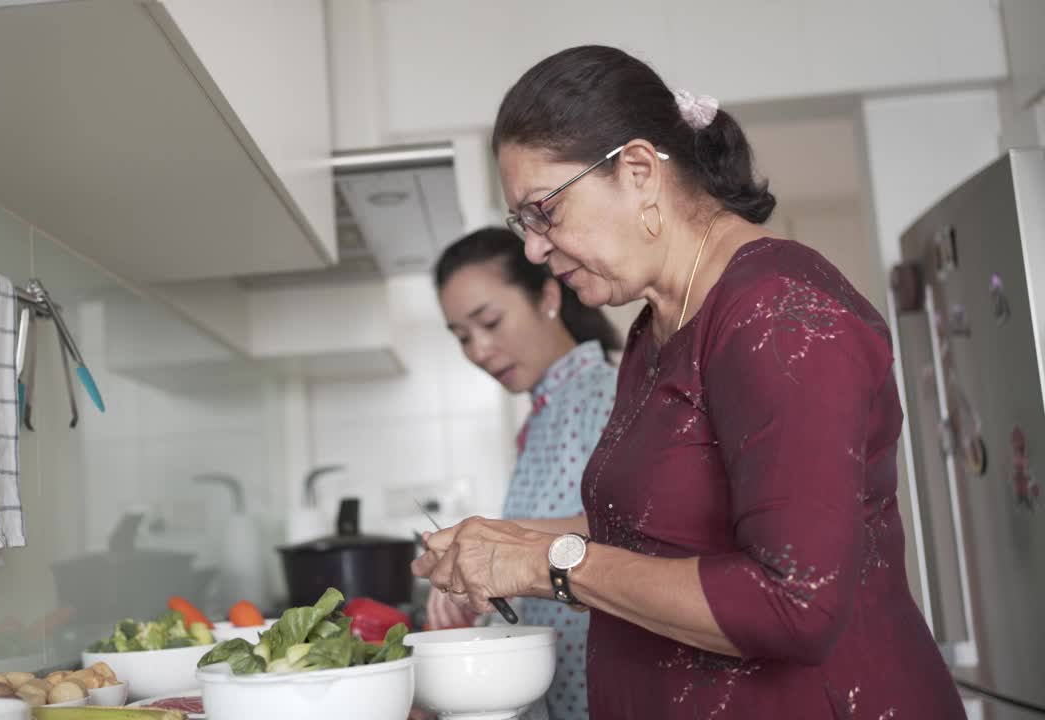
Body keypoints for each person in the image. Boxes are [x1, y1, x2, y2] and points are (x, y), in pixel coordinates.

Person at [413, 45, 965, 719]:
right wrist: (500, 545)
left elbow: (796, 602)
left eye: (544, 210)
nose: (533, 248)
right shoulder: (657, 328)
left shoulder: (779, 312)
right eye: (522, 223)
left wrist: (544, 564)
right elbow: (657, 532)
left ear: (639, 170)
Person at [429, 227, 621, 720]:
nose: (478, 350)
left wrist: (487, 544)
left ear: (548, 296)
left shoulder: (604, 394)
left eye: (489, 321)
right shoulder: (542, 416)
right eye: (462, 337)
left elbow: (632, 532)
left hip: (602, 688)